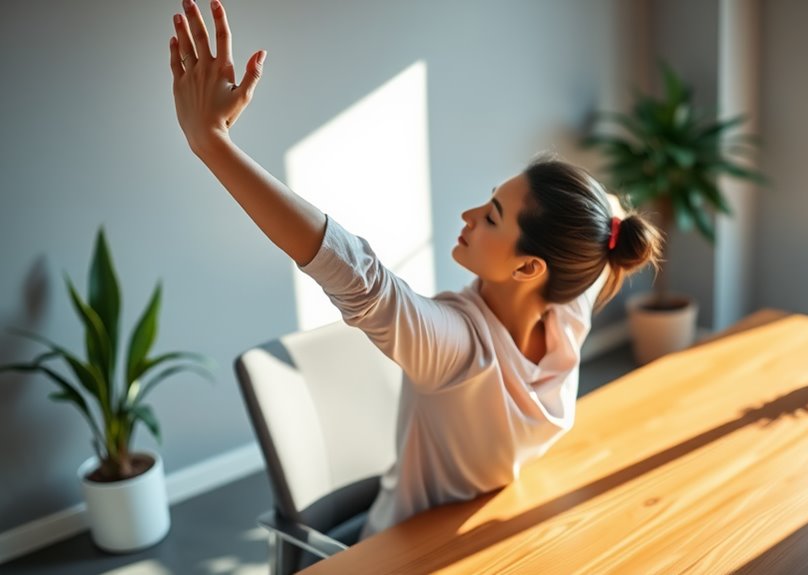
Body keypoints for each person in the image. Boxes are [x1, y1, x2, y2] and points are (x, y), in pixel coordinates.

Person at [169, 0, 664, 541]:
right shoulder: (466, 343)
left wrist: (210, 140)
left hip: (488, 531)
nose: (468, 215)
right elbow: (359, 277)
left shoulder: (566, 311)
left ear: (529, 267)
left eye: (491, 216)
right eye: (487, 201)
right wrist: (212, 144)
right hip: (402, 553)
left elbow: (607, 219)